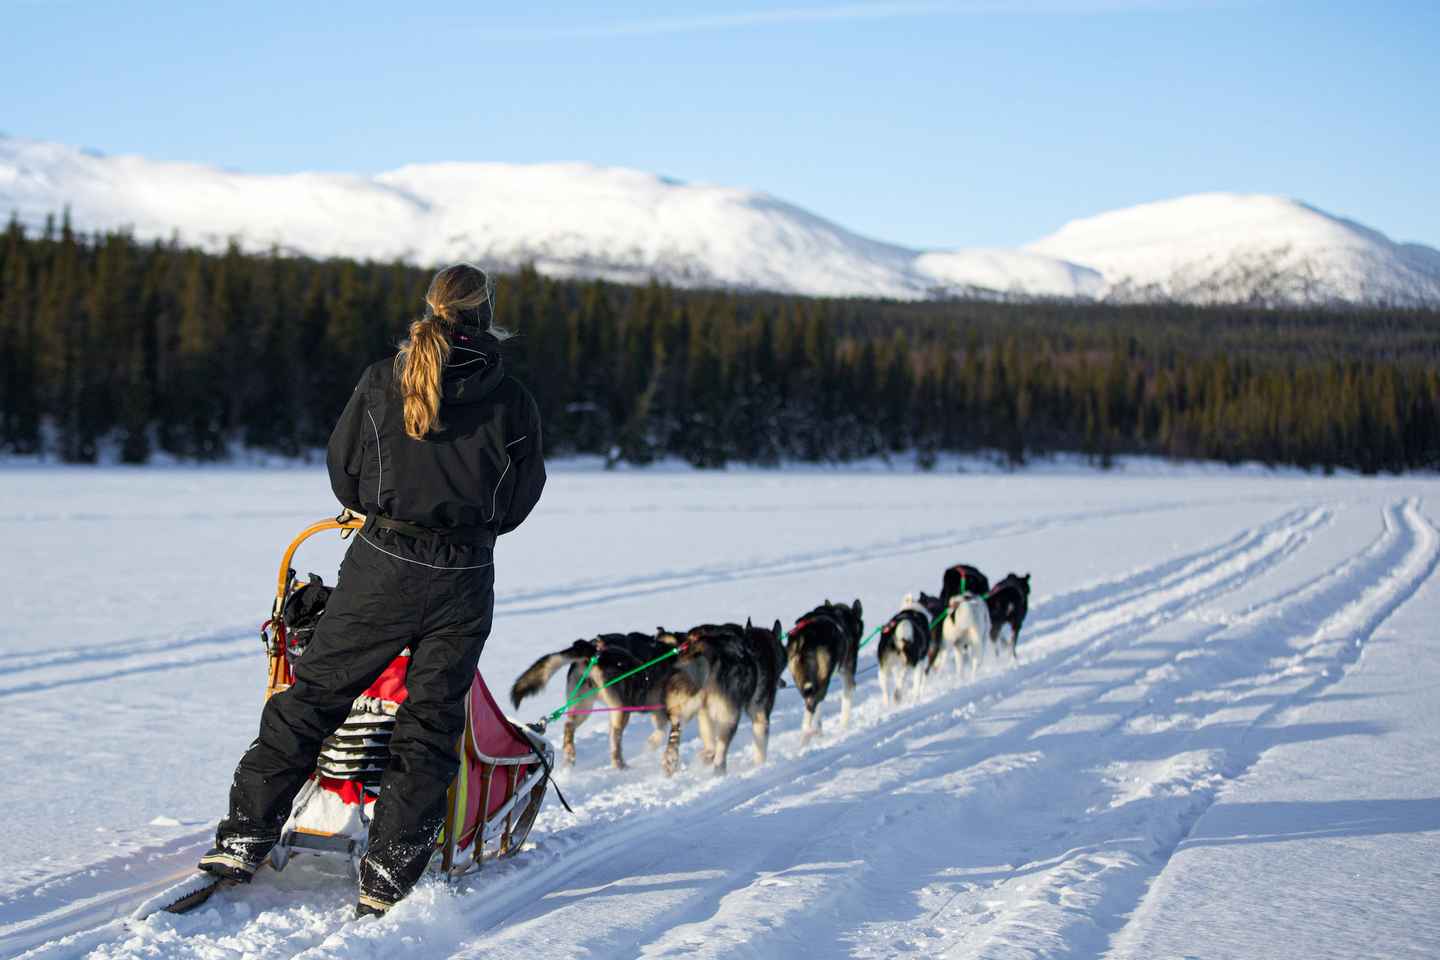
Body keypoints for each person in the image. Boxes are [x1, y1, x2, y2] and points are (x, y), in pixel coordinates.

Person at [200, 263, 545, 917]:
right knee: (431, 721)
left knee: (312, 699)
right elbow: (520, 498)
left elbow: (345, 473)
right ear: (486, 312)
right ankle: (389, 869)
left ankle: (244, 836)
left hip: (383, 562)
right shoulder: (513, 397)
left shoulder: (384, 380)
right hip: (465, 573)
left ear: (432, 307)